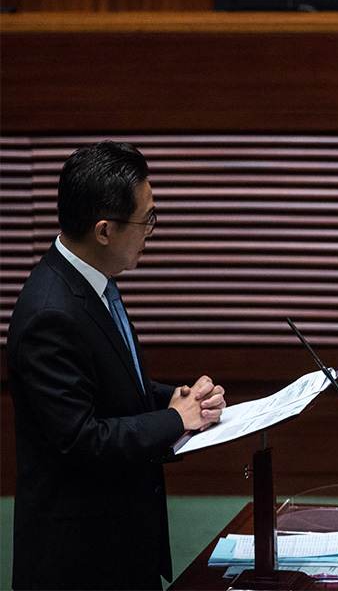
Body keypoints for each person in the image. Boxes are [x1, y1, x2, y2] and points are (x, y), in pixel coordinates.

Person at [6, 141, 227, 590]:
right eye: (146, 219)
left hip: (121, 546)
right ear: (104, 230)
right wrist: (172, 420)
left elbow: (112, 386)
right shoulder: (50, 311)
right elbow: (81, 440)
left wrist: (175, 398)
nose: (152, 230)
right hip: (79, 563)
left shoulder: (93, 278)